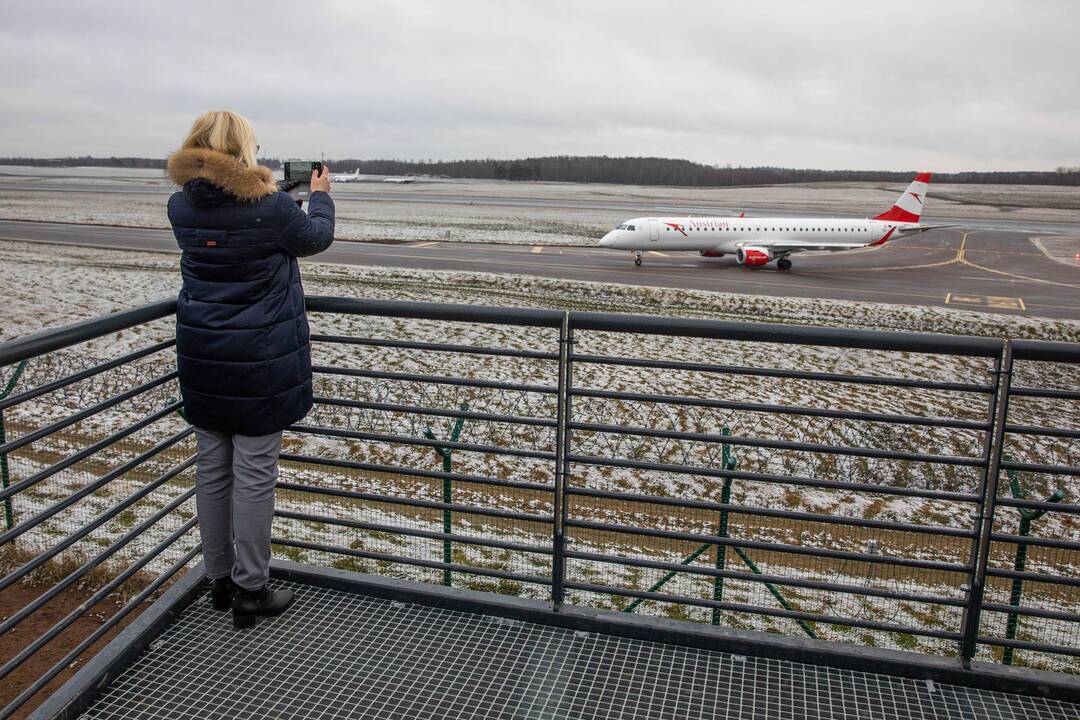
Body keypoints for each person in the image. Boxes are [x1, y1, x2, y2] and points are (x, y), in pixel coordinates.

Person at [165, 110, 334, 629]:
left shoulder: (179, 204)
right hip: (259, 362)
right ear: (244, 150)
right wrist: (322, 194)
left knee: (213, 473)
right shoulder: (275, 207)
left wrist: (273, 194)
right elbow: (315, 237)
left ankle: (219, 580)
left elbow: (231, 214)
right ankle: (251, 590)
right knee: (255, 478)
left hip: (204, 356)